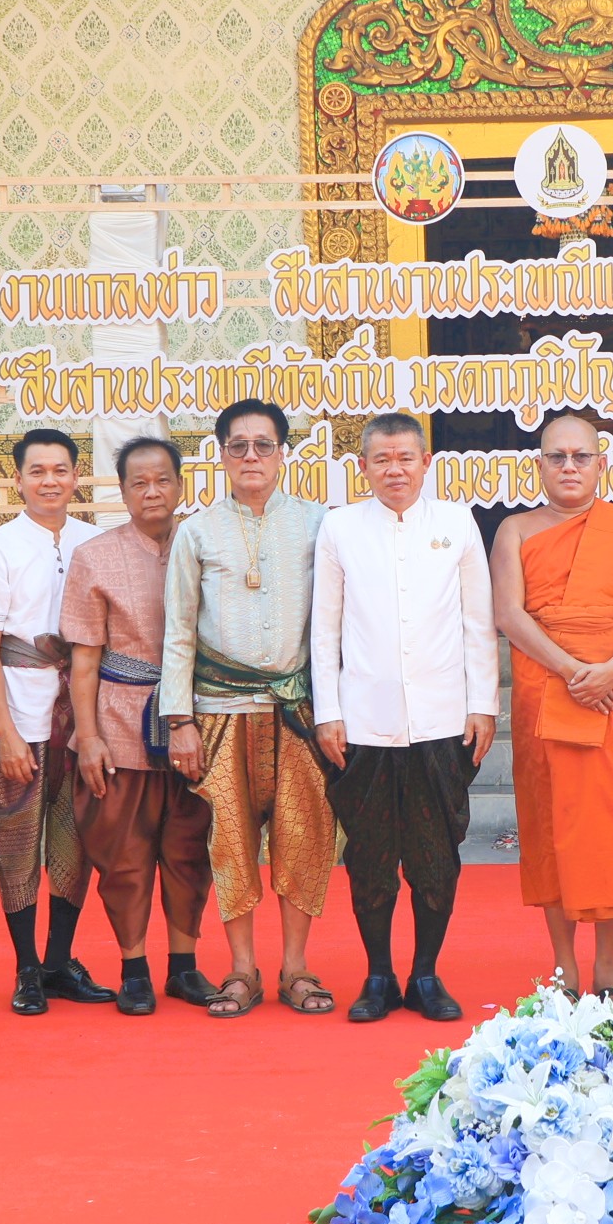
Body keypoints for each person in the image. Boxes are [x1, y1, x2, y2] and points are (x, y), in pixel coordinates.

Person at [312, 412, 497, 1023]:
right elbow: (325, 629)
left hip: (444, 720)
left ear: (425, 463)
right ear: (363, 467)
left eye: (406, 459)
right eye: (382, 460)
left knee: (435, 854)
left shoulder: (457, 522)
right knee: (369, 856)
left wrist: (483, 705)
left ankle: (424, 974)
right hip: (362, 722)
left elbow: (478, 622)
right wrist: (328, 712)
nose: (395, 470)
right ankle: (377, 974)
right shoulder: (340, 528)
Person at [162, 399, 336, 1019]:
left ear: (284, 453)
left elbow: (335, 626)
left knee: (302, 838)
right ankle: (241, 970)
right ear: (223, 454)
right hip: (218, 710)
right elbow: (178, 630)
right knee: (230, 842)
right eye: (239, 446)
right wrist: (178, 718)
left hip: (299, 713)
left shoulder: (320, 525)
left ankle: (296, 968)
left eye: (264, 445)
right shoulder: (198, 531)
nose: (252, 457)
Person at [491, 414, 613, 1002]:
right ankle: (565, 968)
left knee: (611, 827)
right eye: (557, 457)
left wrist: (611, 668)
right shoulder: (514, 531)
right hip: (547, 686)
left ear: (602, 464)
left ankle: (609, 967)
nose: (569, 466)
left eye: (581, 457)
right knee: (554, 827)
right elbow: (510, 616)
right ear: (539, 465)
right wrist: (571, 671)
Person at [62, 436, 214, 1015]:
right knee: (124, 854)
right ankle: (133, 969)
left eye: (162, 481)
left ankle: (184, 966)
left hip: (197, 720)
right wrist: (91, 736)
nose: (152, 493)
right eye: (138, 483)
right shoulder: (95, 557)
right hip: (121, 719)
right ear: (121, 490)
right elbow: (83, 662)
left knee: (188, 846)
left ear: (181, 484)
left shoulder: (203, 543)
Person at [0, 427, 107, 1015]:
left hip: (81, 716)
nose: (50, 481)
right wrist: (4, 731)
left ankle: (58, 961)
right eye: (37, 471)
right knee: (17, 843)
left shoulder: (94, 543)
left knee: (77, 839)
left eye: (60, 470)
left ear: (76, 476)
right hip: (19, 712)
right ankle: (25, 967)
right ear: (19, 478)